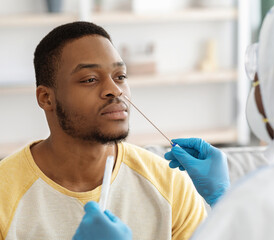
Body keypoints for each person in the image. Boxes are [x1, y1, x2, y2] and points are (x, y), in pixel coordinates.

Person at [73, 0, 274, 239]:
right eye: (88, 79)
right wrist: (222, 198)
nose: (114, 89)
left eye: (258, 72)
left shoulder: (262, 201)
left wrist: (230, 204)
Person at [0, 21, 206, 240]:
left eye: (120, 77)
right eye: (90, 79)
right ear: (46, 98)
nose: (114, 90)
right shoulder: (4, 193)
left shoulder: (171, 186)